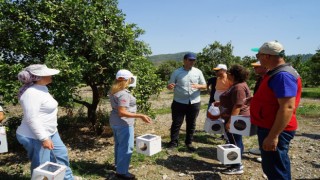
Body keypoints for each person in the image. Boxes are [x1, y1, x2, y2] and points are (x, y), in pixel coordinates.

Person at [16, 64, 80, 180]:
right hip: (35, 136)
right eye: (47, 73)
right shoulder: (31, 93)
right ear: (38, 77)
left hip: (50, 132)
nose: (51, 75)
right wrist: (44, 138)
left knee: (61, 154)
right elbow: (32, 119)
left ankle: (67, 178)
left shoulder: (42, 88)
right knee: (42, 165)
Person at [250, 41, 302, 180]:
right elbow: (274, 98)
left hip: (274, 129)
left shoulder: (282, 75)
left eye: (258, 55)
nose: (258, 59)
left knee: (276, 170)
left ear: (266, 56)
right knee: (273, 167)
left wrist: (273, 136)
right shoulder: (276, 73)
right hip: (270, 126)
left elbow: (287, 107)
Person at [109, 69, 152, 179]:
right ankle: (122, 172)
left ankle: (119, 166)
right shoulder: (124, 94)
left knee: (119, 145)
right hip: (124, 123)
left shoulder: (113, 90)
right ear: (127, 79)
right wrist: (140, 115)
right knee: (127, 147)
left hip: (114, 122)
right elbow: (122, 112)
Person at [167, 52, 206, 152]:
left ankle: (189, 142)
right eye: (190, 60)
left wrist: (199, 86)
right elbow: (169, 85)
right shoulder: (176, 72)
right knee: (176, 123)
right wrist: (170, 86)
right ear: (184, 60)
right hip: (179, 102)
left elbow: (205, 85)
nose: (192, 62)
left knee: (191, 123)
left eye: (193, 60)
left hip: (194, 102)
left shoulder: (198, 72)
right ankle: (173, 143)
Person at [218, 64, 251, 175]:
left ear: (232, 75)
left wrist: (231, 122)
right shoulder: (238, 85)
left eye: (228, 73)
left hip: (236, 119)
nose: (227, 74)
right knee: (236, 141)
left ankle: (236, 165)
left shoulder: (238, 87)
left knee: (235, 142)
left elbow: (237, 105)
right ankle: (234, 162)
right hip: (237, 118)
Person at [248, 61, 268, 159]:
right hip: (260, 111)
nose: (254, 69)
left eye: (256, 67)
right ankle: (261, 149)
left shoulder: (269, 78)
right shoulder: (261, 78)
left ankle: (264, 154)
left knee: (265, 132)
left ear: (264, 66)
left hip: (266, 112)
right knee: (260, 131)